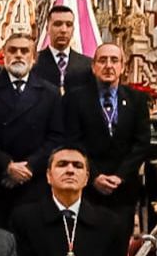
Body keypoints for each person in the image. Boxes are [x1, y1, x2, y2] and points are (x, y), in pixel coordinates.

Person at [0, 33, 60, 227]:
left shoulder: (50, 93)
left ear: (33, 58)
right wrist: (7, 166)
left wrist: (29, 167)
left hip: (34, 184)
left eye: (24, 51)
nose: (18, 55)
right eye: (12, 50)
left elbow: (55, 138)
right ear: (3, 55)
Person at [58, 42, 150, 229]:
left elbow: (141, 143)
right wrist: (95, 176)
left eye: (114, 60)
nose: (108, 65)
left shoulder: (137, 100)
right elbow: (73, 141)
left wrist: (120, 176)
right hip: (88, 187)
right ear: (93, 67)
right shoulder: (75, 99)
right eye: (102, 60)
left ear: (123, 67)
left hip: (123, 189)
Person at [31, 5, 94, 94]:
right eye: (58, 24)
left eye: (68, 25)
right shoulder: (34, 62)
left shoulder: (87, 65)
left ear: (73, 30)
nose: (63, 30)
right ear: (47, 29)